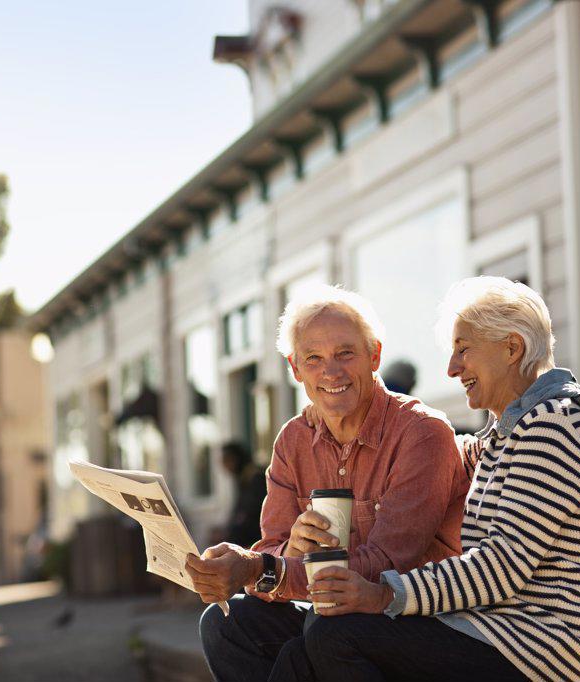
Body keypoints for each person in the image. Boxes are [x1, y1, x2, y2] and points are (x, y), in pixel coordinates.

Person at [290, 277, 580, 682]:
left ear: (511, 348)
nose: (452, 368)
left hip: (539, 644)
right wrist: (330, 410)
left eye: (463, 350)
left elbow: (501, 567)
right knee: (297, 652)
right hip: (493, 630)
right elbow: (427, 444)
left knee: (335, 634)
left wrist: (385, 595)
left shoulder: (552, 427)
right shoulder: (507, 434)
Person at [185, 285, 470, 681]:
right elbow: (272, 550)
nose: (330, 372)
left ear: (375, 355)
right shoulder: (292, 440)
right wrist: (289, 551)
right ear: (295, 369)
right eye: (313, 359)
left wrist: (262, 568)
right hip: (331, 614)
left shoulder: (422, 433)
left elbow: (389, 565)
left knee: (320, 632)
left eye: (345, 354)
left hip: (413, 617)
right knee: (225, 624)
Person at [218, 441, 267, 549]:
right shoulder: (241, 479)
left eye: (226, 460)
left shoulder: (256, 478)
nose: (223, 465)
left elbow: (252, 513)